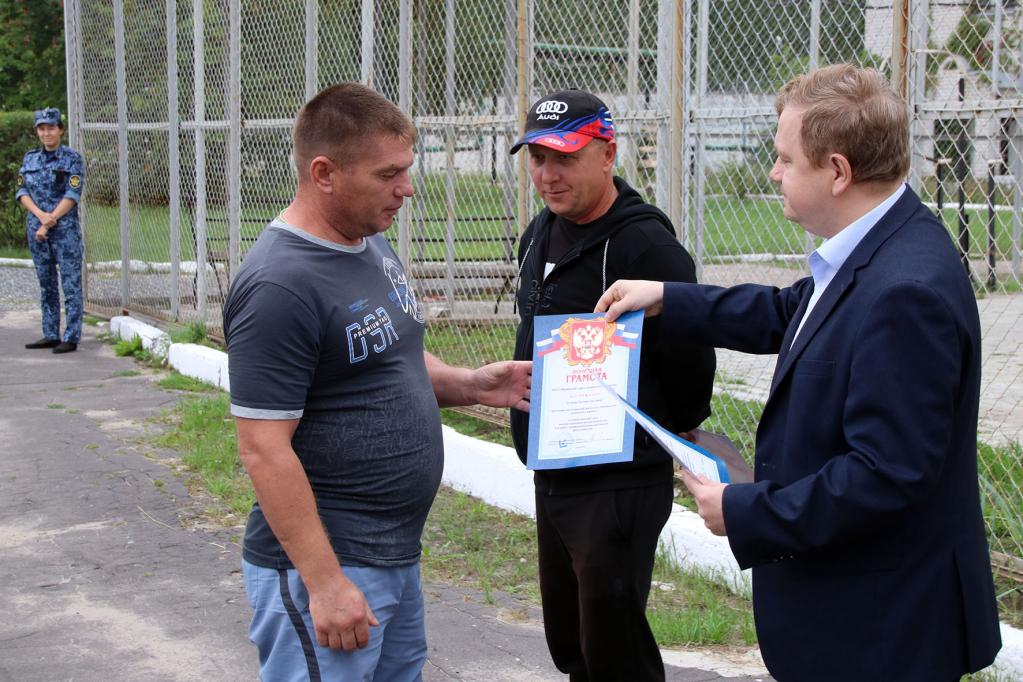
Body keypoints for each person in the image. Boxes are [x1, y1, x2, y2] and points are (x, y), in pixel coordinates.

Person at [596, 64, 1002, 682]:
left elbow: (885, 474)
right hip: (863, 616)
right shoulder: (882, 243)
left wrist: (747, 512)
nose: (774, 172)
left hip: (881, 633)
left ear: (838, 171)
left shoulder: (906, 292)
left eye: (786, 159)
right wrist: (667, 298)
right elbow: (793, 312)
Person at [223, 82, 531, 682]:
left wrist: (470, 384)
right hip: (332, 565)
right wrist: (325, 583)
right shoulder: (279, 286)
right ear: (324, 173)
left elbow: (390, 354)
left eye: (406, 169)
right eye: (388, 174)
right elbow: (262, 449)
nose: (406, 188)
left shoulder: (366, 242)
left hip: (392, 556)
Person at [508, 89, 716, 681]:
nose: (548, 175)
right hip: (555, 467)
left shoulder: (645, 246)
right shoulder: (540, 232)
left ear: (607, 154)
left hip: (617, 480)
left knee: (614, 647)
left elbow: (691, 358)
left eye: (565, 158)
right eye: (538, 158)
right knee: (572, 640)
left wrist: (661, 432)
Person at [17, 107, 85, 354]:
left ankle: (71, 336)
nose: (46, 133)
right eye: (42, 129)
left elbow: (73, 194)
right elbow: (22, 191)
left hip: (64, 231)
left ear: (60, 130)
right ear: (37, 131)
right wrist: (40, 217)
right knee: (46, 285)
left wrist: (49, 221)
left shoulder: (72, 158)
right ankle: (50, 334)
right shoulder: (30, 159)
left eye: (51, 128)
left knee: (71, 284)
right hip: (37, 231)